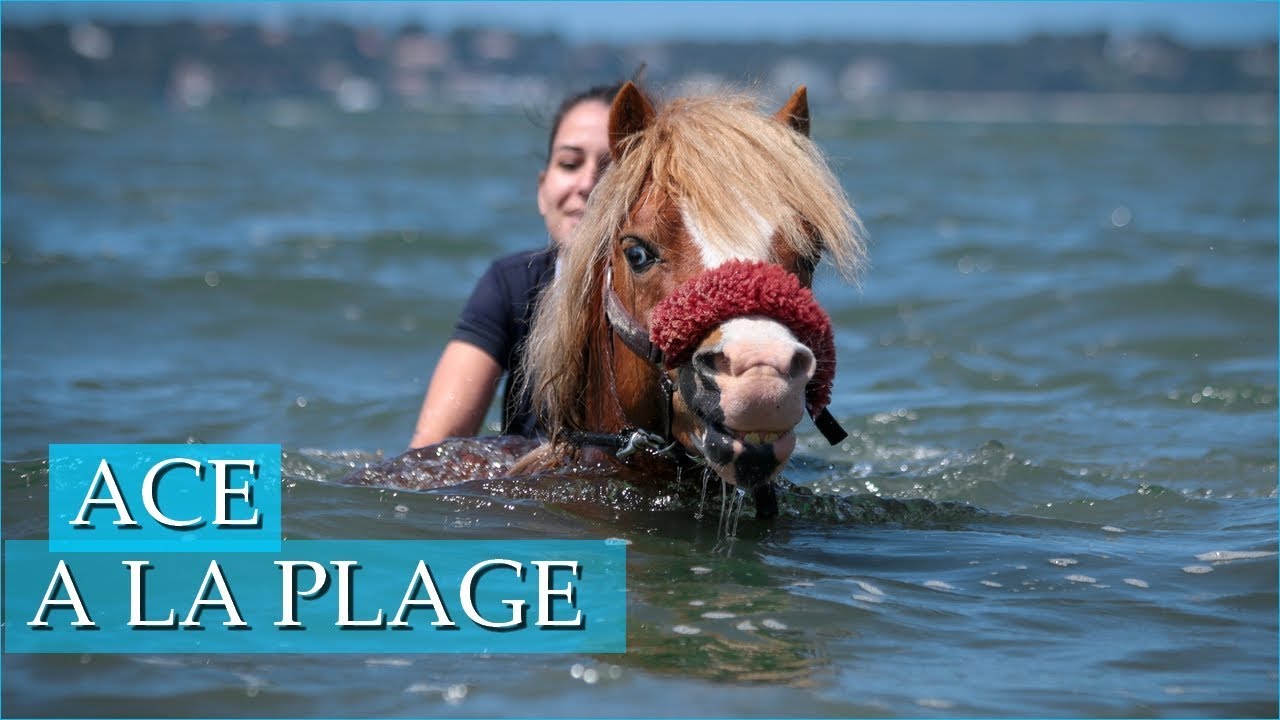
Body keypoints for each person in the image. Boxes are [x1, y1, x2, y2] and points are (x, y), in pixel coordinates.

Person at [409, 83, 620, 449]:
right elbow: (431, 449)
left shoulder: (672, 299)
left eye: (611, 169)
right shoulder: (511, 285)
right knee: (275, 482)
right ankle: (268, 499)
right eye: (569, 164)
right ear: (542, 191)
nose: (587, 184)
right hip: (523, 498)